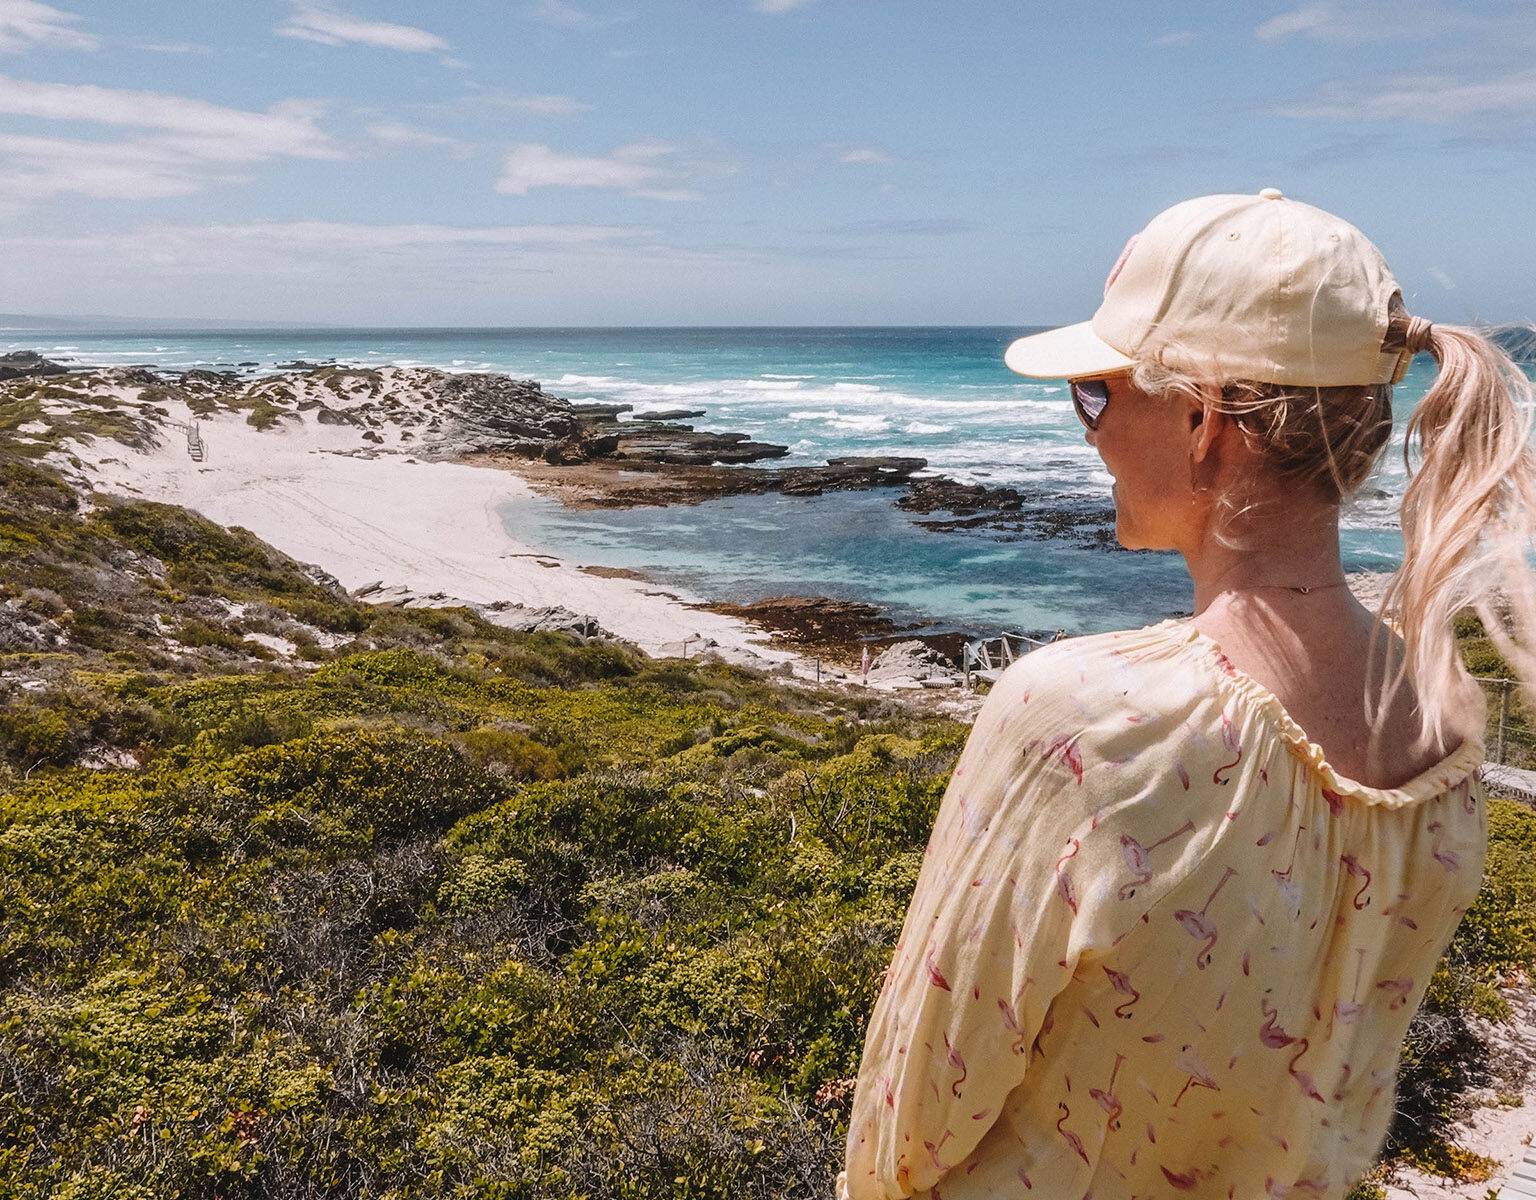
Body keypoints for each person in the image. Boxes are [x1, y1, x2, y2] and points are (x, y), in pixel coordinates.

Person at [837, 189, 1536, 1200]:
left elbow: (912, 1118)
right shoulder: (1445, 735)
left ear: (1205, 418)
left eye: (1094, 392)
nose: (1087, 431)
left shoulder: (1086, 723)